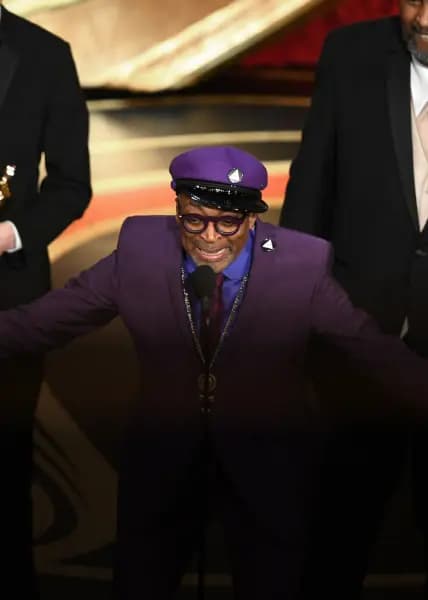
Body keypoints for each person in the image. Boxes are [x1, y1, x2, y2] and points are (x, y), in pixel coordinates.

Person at [0, 144, 428, 599]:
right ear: (177, 209)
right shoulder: (141, 251)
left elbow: (371, 350)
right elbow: (42, 322)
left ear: (253, 220)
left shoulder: (301, 267)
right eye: (194, 220)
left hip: (268, 466)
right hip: (162, 461)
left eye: (227, 223)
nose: (209, 237)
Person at [279, 1, 428, 598]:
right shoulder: (351, 55)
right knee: (339, 531)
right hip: (358, 338)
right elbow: (310, 188)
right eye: (414, 0)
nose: (424, 18)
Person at [0, 3, 91, 596]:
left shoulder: (46, 55)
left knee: (8, 462)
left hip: (9, 295)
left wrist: (10, 234)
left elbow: (71, 184)